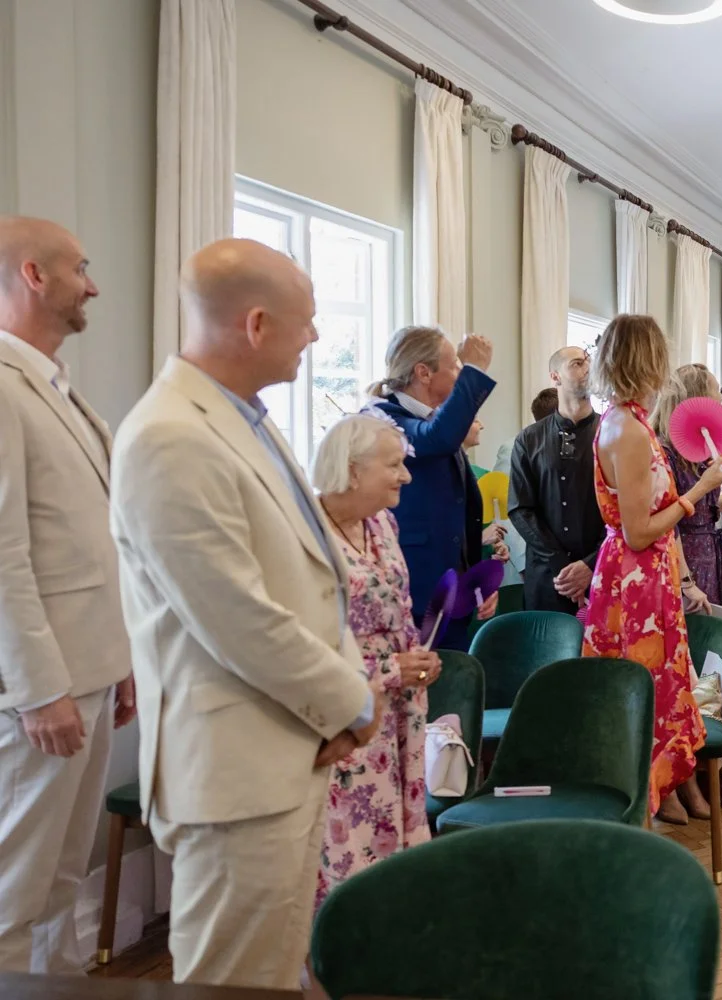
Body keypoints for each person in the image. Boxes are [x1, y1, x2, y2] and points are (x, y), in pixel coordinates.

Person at [111, 239, 381, 988]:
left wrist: (344, 705)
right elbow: (237, 617)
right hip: (235, 768)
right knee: (231, 981)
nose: (318, 339)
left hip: (287, 747)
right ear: (256, 324)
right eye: (308, 322)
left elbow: (316, 579)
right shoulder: (172, 435)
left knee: (271, 973)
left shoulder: (244, 421)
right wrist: (353, 700)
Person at [0, 217, 135, 973]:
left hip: (88, 674)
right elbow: (3, 557)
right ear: (33, 275)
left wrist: (117, 659)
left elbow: (88, 544)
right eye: (80, 268)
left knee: (58, 884)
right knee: (12, 893)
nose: (94, 284)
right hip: (40, 693)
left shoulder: (61, 392)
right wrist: (40, 688)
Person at [584, 315, 722, 825]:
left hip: (653, 577)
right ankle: (638, 813)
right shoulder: (625, 428)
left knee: (662, 689)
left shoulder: (635, 422)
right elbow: (639, 531)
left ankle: (660, 798)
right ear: (647, 360)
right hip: (634, 583)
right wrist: (698, 491)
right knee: (642, 695)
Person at [311, 415, 439, 909]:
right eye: (393, 465)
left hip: (397, 715)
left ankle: (387, 954)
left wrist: (419, 658)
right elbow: (307, 642)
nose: (405, 475)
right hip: (344, 714)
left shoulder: (383, 522)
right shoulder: (307, 533)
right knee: (345, 851)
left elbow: (398, 607)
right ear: (352, 469)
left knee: (395, 845)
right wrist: (385, 674)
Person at [368, 326, 497, 639]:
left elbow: (456, 513)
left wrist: (475, 582)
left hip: (453, 593)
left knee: (454, 683)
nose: (458, 372)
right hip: (413, 592)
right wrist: (474, 370)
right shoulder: (384, 420)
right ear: (423, 373)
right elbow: (435, 439)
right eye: (454, 365)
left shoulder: (431, 422)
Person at [654, 363, 722, 607]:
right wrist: (686, 581)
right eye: (714, 391)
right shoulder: (664, 452)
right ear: (696, 399)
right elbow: (668, 521)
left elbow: (704, 507)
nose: (718, 399)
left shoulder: (699, 448)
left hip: (711, 552)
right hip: (685, 558)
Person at [508, 347, 607, 615]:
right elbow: (520, 508)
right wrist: (562, 565)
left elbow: (623, 508)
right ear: (555, 376)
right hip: (548, 574)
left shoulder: (612, 433)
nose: (587, 368)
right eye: (577, 363)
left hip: (603, 569)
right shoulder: (529, 439)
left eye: (589, 363)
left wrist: (589, 564)